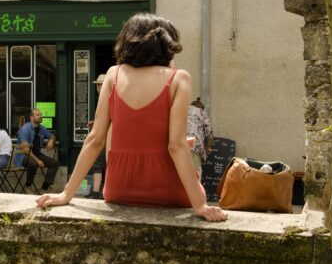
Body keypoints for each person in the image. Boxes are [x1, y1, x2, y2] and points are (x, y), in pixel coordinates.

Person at [37, 13, 227, 222]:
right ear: (167, 45)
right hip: (168, 190)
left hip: (119, 190)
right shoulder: (178, 78)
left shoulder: (113, 74)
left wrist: (66, 194)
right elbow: (176, 145)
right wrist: (200, 205)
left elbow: (95, 140)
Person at [17, 109, 57, 194]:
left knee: (54, 163)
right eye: (38, 115)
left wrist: (51, 141)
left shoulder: (42, 128)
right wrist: (38, 160)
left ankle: (44, 188)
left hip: (37, 154)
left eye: (41, 115)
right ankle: (28, 186)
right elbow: (25, 150)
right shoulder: (25, 129)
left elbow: (52, 135)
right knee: (33, 163)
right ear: (31, 117)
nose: (40, 116)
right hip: (24, 156)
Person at [85, 74, 107, 199]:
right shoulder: (106, 99)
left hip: (104, 137)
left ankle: (97, 192)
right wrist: (95, 122)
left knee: (98, 164)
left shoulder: (105, 99)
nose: (97, 88)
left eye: (98, 85)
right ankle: (98, 191)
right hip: (106, 136)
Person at [187, 97, 214, 180]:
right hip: (194, 145)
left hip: (179, 144)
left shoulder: (184, 110)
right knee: (196, 173)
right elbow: (209, 132)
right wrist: (208, 147)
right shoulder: (202, 112)